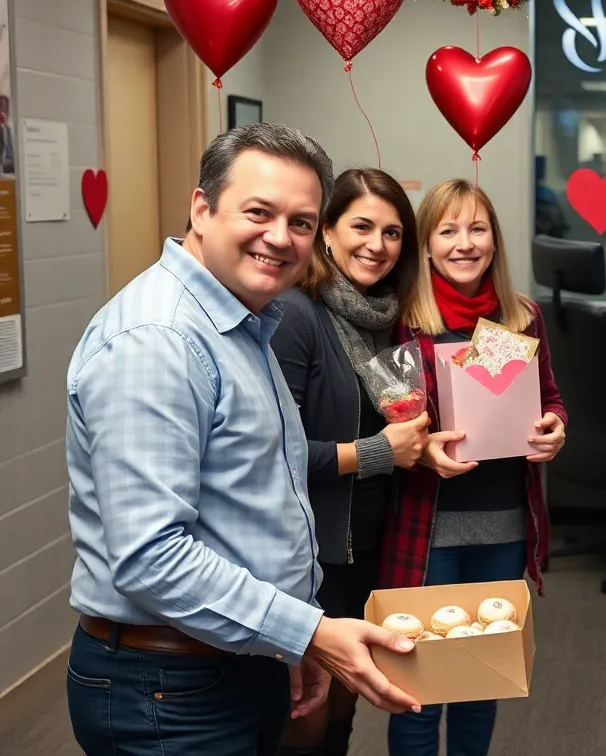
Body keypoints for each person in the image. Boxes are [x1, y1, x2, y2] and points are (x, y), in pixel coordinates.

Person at [64, 124, 422, 756]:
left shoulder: (244, 323)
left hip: (231, 658)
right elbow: (151, 557)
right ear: (201, 209)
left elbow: (249, 507)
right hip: (168, 689)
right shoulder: (159, 340)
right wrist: (306, 632)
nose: (280, 237)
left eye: (302, 222)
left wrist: (281, 642)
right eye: (259, 212)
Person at [381, 178, 567, 756]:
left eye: (478, 228)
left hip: (505, 526)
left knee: (481, 680)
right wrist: (422, 446)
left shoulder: (518, 318)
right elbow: (384, 418)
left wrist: (555, 428)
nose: (465, 243)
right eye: (449, 230)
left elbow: (550, 399)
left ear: (495, 240)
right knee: (420, 685)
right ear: (428, 245)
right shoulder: (405, 319)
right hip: (428, 530)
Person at [272, 168, 431, 756]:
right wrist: (378, 453)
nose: (377, 245)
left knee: (346, 702)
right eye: (361, 226)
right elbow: (272, 455)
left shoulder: (391, 319)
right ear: (328, 233)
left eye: (393, 233)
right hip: (312, 552)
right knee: (307, 714)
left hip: (373, 541)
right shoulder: (297, 315)